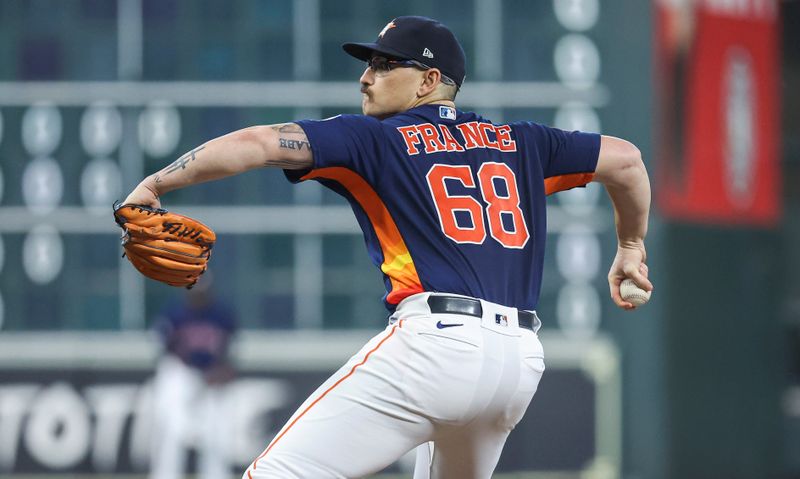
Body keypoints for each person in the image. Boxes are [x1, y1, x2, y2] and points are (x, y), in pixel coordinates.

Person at [123, 15, 652, 479]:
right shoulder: (524, 142)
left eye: (383, 65)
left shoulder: (375, 139)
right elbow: (626, 159)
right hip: (518, 362)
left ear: (428, 81)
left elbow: (259, 144)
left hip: (435, 346)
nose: (365, 77)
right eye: (369, 63)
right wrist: (631, 245)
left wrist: (156, 184)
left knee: (278, 472)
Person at [149, 275, 237, 479]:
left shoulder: (222, 315)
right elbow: (162, 346)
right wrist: (190, 370)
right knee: (172, 430)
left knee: (215, 433)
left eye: (202, 291)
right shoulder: (174, 313)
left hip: (211, 376)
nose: (198, 295)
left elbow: (230, 351)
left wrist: (220, 371)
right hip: (180, 373)